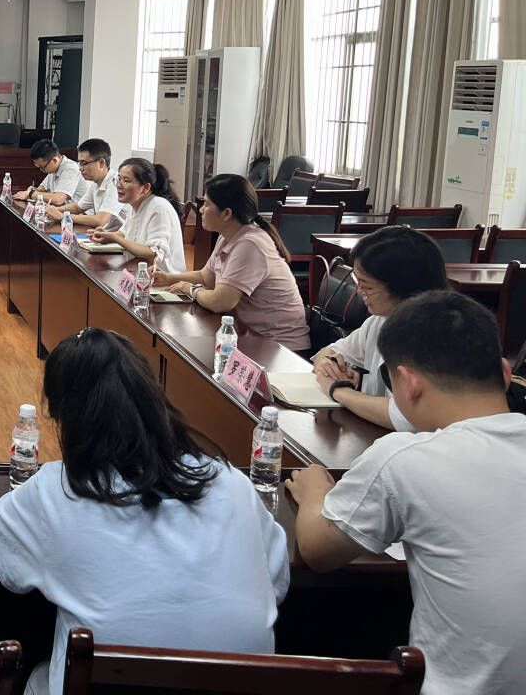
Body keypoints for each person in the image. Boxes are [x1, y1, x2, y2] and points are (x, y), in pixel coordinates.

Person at [0, 328, 288, 695]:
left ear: (65, 416)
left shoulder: (58, 489)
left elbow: (1, 549)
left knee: (33, 675)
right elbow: (275, 583)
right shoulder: (230, 482)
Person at [287, 291, 526, 695]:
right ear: (504, 374)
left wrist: (314, 491)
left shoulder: (404, 458)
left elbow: (316, 551)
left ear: (409, 383)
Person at [310, 226, 448, 430]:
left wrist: (339, 390)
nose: (359, 291)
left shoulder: (433, 337)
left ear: (402, 286)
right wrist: (330, 366)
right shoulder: (380, 321)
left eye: (367, 286)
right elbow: (329, 351)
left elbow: (406, 418)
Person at [154, 173, 310, 351]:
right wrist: (168, 278)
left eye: (207, 204)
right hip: (251, 336)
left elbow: (220, 302)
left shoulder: (250, 244)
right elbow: (206, 277)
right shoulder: (228, 236)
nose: (202, 210)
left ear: (227, 213)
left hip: (282, 348)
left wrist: (190, 289)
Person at [89, 157, 186, 274]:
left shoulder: (159, 207)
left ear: (145, 188)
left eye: (126, 181)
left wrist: (115, 238)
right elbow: (123, 233)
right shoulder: (135, 203)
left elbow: (152, 253)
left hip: (162, 278)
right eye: (118, 179)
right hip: (138, 271)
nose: (119, 185)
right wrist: (105, 235)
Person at [43, 138, 129, 230]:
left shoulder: (115, 183)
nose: (80, 168)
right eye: (79, 163)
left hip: (118, 237)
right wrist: (54, 210)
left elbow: (100, 220)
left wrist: (63, 216)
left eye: (84, 163)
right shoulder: (96, 183)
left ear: (101, 163)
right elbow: (78, 207)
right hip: (103, 234)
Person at [14, 139, 86, 206]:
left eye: (42, 167)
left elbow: (58, 199)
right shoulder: (53, 169)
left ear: (54, 160)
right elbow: (40, 189)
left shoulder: (70, 169)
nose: (41, 170)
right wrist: (31, 191)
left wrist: (30, 193)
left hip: (80, 214)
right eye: (38, 167)